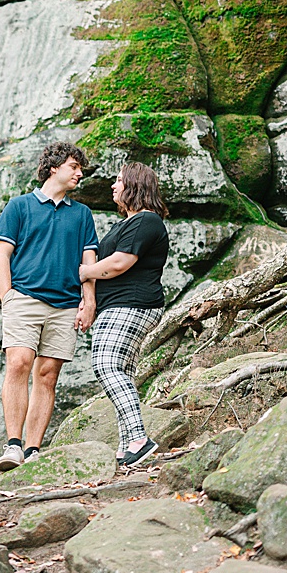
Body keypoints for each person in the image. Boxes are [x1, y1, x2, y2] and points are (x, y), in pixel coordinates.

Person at [0, 142, 98, 471]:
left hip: (65, 304)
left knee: (48, 376)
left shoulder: (81, 214)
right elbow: (1, 255)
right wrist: (7, 296)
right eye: (73, 166)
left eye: (80, 168)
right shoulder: (20, 206)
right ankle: (13, 445)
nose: (79, 173)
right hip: (24, 298)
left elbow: (89, 260)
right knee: (19, 363)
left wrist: (89, 301)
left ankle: (33, 448)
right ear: (53, 168)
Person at [75, 161, 170, 468]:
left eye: (118, 181)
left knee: (105, 366)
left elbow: (119, 264)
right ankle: (126, 447)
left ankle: (140, 439)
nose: (113, 186)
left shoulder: (146, 221)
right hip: (119, 306)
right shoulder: (126, 224)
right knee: (122, 374)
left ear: (135, 185)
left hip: (132, 305)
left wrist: (84, 272)